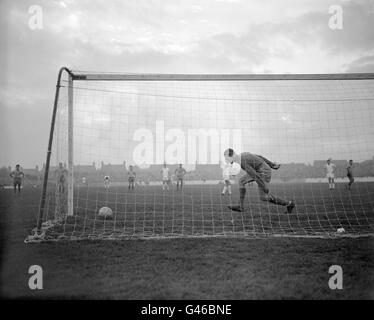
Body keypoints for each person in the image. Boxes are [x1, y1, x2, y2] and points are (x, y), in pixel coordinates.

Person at [224, 148, 295, 214]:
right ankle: (240, 206)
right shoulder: (243, 154)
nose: (226, 160)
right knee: (241, 181)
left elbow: (255, 175)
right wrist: (272, 164)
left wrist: (264, 187)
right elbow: (259, 157)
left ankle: (289, 203)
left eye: (227, 158)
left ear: (231, 156)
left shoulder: (242, 161)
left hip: (264, 172)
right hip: (260, 170)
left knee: (263, 197)